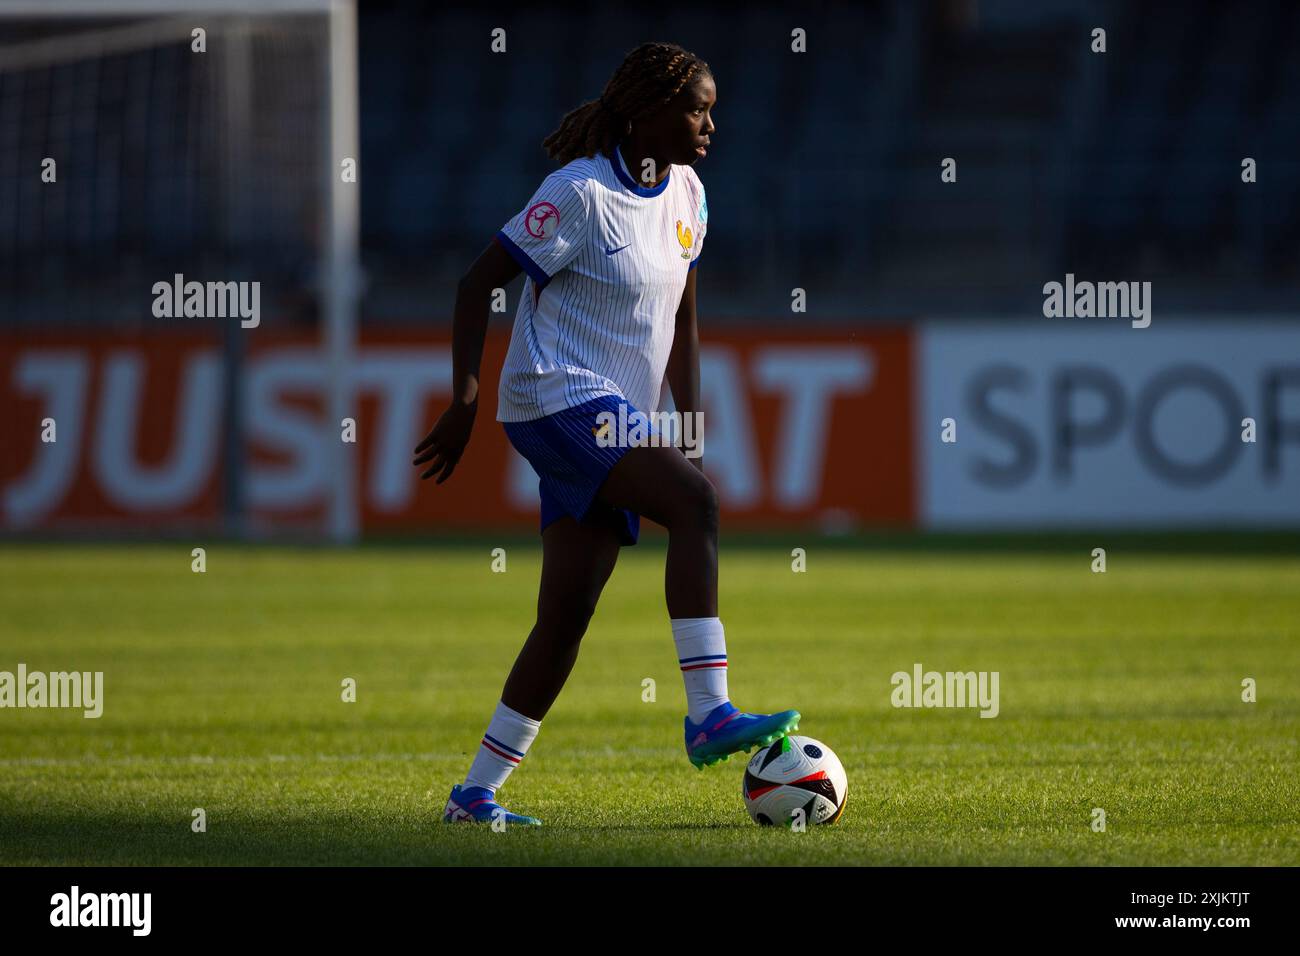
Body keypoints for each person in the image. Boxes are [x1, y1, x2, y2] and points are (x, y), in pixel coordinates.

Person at [414, 41, 799, 827]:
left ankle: (474, 794)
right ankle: (710, 713)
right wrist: (465, 402)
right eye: (697, 108)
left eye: (713, 108)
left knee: (565, 617)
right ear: (645, 111)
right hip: (551, 395)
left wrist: (686, 424)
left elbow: (686, 314)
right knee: (697, 505)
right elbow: (477, 282)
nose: (710, 124)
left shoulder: (689, 192)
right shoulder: (579, 194)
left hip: (613, 411)